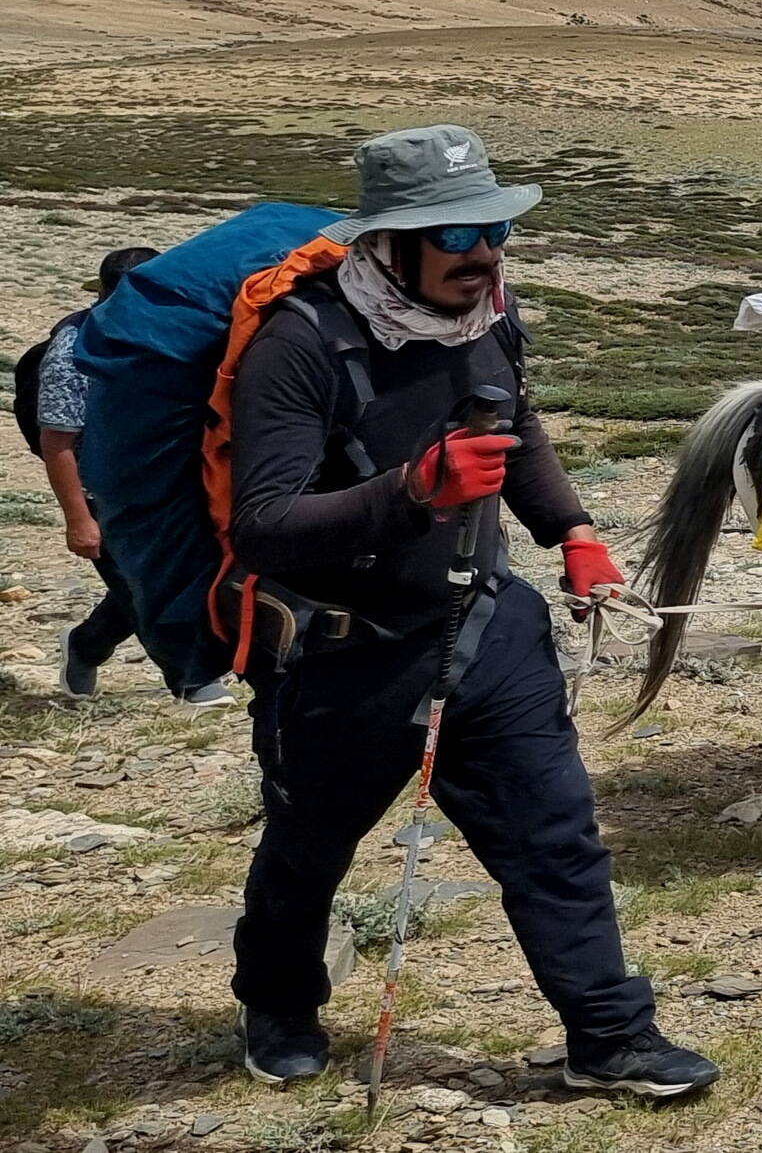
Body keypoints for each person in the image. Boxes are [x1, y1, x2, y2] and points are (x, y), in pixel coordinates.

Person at [226, 126, 715, 1098]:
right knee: (308, 851)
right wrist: (413, 489)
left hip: (486, 632)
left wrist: (570, 531)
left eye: (496, 227)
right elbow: (264, 526)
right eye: (455, 233)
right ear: (387, 244)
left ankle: (608, 1038)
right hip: (340, 661)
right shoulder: (300, 345)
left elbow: (512, 422)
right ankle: (278, 1003)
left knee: (555, 836)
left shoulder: (487, 314)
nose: (484, 252)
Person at [39, 247, 232, 706]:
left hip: (168, 480)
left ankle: (86, 646)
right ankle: (191, 678)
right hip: (103, 493)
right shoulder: (73, 350)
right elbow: (57, 441)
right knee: (139, 583)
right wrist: (78, 518)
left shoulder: (171, 334)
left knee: (158, 577)